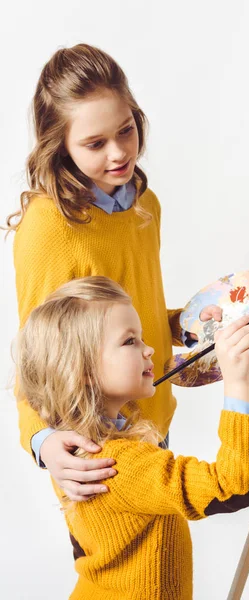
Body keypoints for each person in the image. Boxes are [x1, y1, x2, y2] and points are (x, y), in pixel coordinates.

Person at [6, 43, 221, 502]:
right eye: (95, 143)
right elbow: (36, 357)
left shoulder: (145, 205)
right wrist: (41, 441)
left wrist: (196, 319)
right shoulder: (48, 228)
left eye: (126, 130)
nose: (120, 152)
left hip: (155, 424)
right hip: (96, 452)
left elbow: (125, 315)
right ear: (58, 144)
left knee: (167, 568)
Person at [17, 275, 249, 599]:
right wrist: (238, 381)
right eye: (130, 341)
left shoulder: (73, 445)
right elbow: (236, 487)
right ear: (84, 371)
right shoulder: (117, 463)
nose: (149, 348)